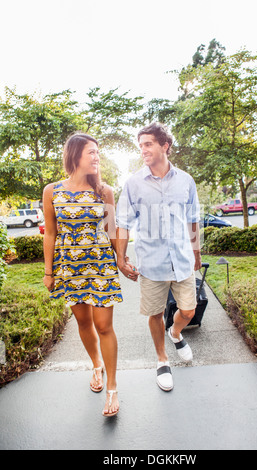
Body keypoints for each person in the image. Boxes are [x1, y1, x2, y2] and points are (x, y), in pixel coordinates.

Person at [116, 122, 201, 392]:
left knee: (187, 311)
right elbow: (122, 223)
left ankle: (175, 332)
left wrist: (196, 252)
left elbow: (193, 220)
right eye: (140, 145)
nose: (143, 150)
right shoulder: (133, 183)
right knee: (154, 313)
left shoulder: (186, 180)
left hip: (182, 260)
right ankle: (162, 359)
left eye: (148, 144)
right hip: (151, 263)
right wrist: (121, 257)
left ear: (165, 145)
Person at [42, 132, 122, 417]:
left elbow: (113, 230)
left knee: (104, 326)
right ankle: (96, 366)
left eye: (98, 152)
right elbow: (50, 232)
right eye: (91, 152)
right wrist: (48, 271)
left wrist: (122, 261)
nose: (96, 157)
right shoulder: (52, 191)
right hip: (69, 268)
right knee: (84, 322)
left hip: (100, 265)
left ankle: (112, 387)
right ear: (75, 155)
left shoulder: (104, 191)